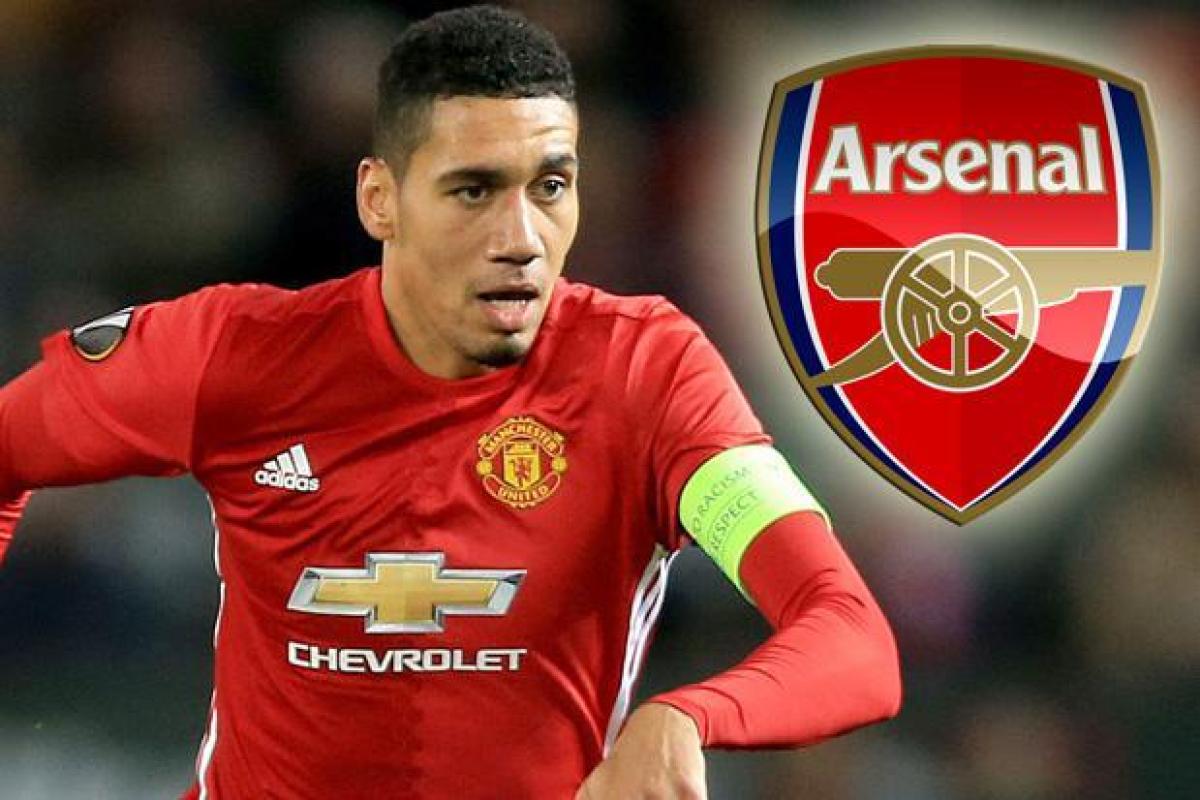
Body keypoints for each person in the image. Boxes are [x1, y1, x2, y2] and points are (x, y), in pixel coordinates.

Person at [0, 5, 900, 798]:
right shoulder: (231, 356)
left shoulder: (645, 376)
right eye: (474, 190)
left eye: (551, 186)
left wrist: (687, 716)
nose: (522, 238)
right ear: (379, 200)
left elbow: (849, 634)